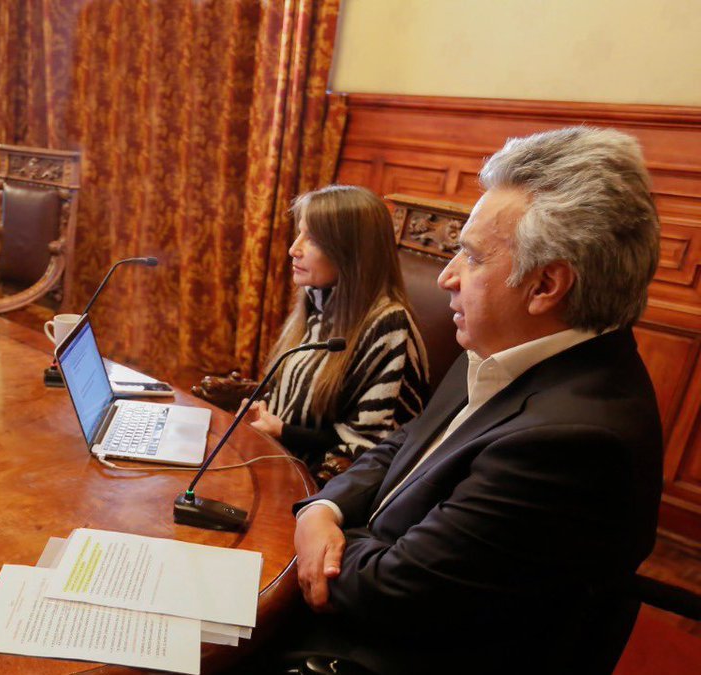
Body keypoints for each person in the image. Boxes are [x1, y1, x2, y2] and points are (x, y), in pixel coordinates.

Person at [288, 127, 663, 674]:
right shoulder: (503, 349)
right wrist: (324, 505)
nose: (446, 278)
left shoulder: (573, 443)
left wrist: (322, 535)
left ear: (545, 286)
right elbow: (403, 444)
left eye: (471, 258)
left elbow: (389, 595)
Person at [244, 185, 428, 484]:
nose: (294, 248)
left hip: (319, 490)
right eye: (300, 233)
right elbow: (291, 402)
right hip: (276, 462)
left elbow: (372, 449)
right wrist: (260, 412)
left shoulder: (388, 325)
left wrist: (283, 432)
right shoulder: (318, 302)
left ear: (352, 253)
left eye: (313, 239)